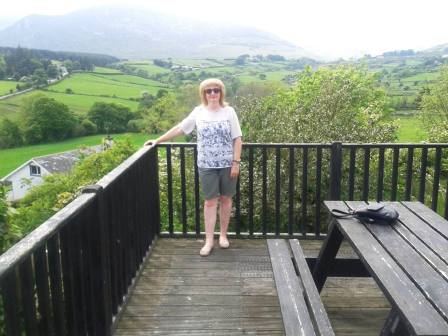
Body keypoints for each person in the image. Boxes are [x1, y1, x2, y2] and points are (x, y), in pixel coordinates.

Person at [144, 78, 242, 256]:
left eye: (216, 90)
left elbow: (237, 138)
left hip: (227, 165)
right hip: (206, 165)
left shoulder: (229, 112)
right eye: (208, 91)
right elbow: (180, 128)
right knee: (210, 202)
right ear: (203, 94)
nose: (212, 93)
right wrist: (158, 140)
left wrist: (236, 162)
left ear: (221, 92)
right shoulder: (198, 112)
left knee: (227, 200)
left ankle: (223, 236)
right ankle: (209, 240)